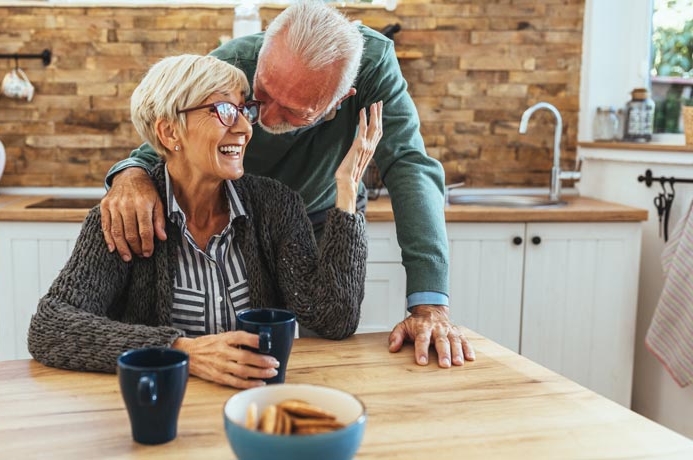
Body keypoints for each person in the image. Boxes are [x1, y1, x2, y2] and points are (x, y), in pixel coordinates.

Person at [101, 1, 474, 368]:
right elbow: (166, 135)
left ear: (340, 100)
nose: (261, 118)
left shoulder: (373, 66)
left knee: (326, 340)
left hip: (326, 212)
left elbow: (409, 165)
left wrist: (429, 305)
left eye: (295, 111)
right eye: (260, 94)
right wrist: (131, 173)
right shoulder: (232, 64)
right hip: (248, 217)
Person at [28, 54, 381, 389]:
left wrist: (347, 189)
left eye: (245, 110)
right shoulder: (125, 218)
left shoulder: (276, 205)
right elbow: (51, 326)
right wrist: (184, 352)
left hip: (255, 401)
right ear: (169, 133)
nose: (244, 128)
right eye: (225, 110)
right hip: (165, 406)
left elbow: (333, 319)